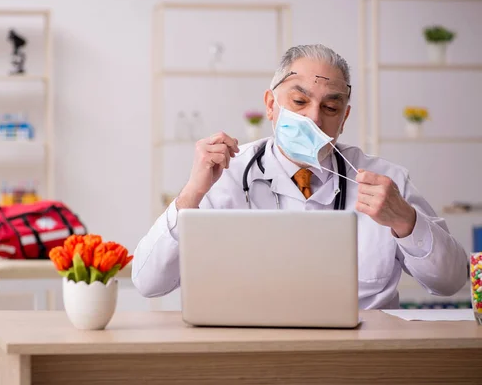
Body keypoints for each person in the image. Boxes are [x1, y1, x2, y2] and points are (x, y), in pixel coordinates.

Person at [132, 44, 467, 309]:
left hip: (361, 359)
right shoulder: (224, 175)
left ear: (344, 117)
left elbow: (450, 282)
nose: (313, 118)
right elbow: (149, 284)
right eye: (299, 101)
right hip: (248, 354)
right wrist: (192, 192)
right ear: (270, 104)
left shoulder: (386, 181)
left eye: (330, 108)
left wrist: (406, 221)